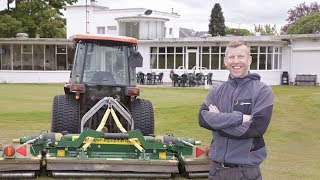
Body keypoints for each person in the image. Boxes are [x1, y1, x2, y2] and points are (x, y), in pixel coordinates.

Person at [198, 41, 274, 180]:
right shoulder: (216, 90)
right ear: (225, 61)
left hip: (246, 173)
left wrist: (217, 122)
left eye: (241, 57)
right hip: (216, 171)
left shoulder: (263, 91)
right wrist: (239, 118)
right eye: (231, 57)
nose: (236, 61)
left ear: (249, 60)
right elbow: (203, 119)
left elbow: (256, 128)